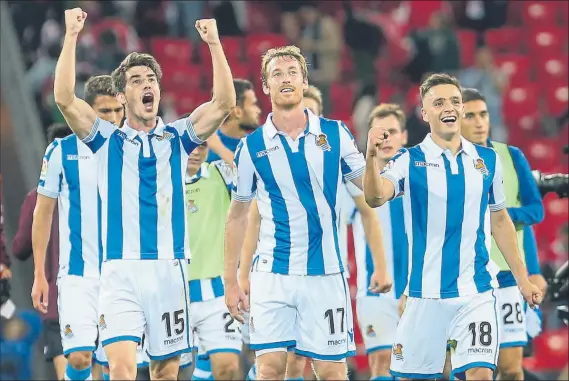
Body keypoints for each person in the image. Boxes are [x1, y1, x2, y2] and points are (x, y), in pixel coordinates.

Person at [47, 8, 235, 380]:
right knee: (120, 367)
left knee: (165, 371)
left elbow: (224, 103)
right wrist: (71, 36)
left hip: (170, 267)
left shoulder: (178, 137)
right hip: (120, 270)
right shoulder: (107, 139)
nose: (146, 84)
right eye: (136, 80)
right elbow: (65, 99)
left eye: (151, 78)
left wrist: (214, 44)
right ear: (122, 94)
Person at [224, 45, 392, 381]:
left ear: (303, 81)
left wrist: (373, 157)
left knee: (331, 370)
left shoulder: (336, 134)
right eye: (277, 74)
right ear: (266, 86)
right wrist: (232, 280)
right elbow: (239, 216)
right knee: (270, 368)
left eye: (292, 73)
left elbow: (373, 197)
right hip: (272, 275)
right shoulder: (251, 147)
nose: (285, 79)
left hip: (325, 274)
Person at [363, 73, 543, 380]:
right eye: (439, 102)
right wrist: (370, 155)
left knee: (480, 374)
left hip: (476, 293)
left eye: (455, 101)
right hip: (424, 295)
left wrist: (523, 280)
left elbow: (500, 221)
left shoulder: (488, 160)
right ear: (425, 113)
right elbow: (376, 196)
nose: (449, 107)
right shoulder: (409, 160)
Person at [30, 75, 125, 381]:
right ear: (87, 111)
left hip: (122, 273)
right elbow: (42, 214)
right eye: (104, 111)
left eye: (117, 110)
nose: (113, 118)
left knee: (116, 364)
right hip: (76, 274)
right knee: (80, 358)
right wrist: (39, 275)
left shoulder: (133, 149)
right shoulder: (61, 151)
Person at [460, 87, 546, 380]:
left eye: (482, 114)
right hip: (465, 277)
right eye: (469, 116)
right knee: (466, 369)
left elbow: (536, 211)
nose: (479, 122)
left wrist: (501, 215)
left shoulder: (511, 156)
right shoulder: (445, 162)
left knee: (511, 367)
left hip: (508, 275)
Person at [352, 103, 409, 380]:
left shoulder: (419, 175)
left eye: (393, 132)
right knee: (381, 362)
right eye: (380, 134)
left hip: (418, 288)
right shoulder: (353, 181)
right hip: (374, 289)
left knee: (417, 367)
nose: (386, 140)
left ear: (405, 136)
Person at [13, 123, 72, 380]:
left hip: (56, 301)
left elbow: (19, 248)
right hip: (99, 297)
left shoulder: (36, 197)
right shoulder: (99, 190)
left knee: (67, 373)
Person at [184, 140, 241, 380]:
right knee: (167, 371)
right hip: (175, 291)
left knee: (227, 367)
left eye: (203, 145)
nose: (197, 152)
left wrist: (216, 142)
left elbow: (250, 171)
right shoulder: (161, 176)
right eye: (190, 145)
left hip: (217, 289)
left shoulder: (220, 172)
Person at [206, 78, 261, 165]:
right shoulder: (203, 148)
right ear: (237, 112)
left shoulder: (258, 146)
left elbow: (255, 176)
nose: (258, 110)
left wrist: (220, 149)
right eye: (253, 104)